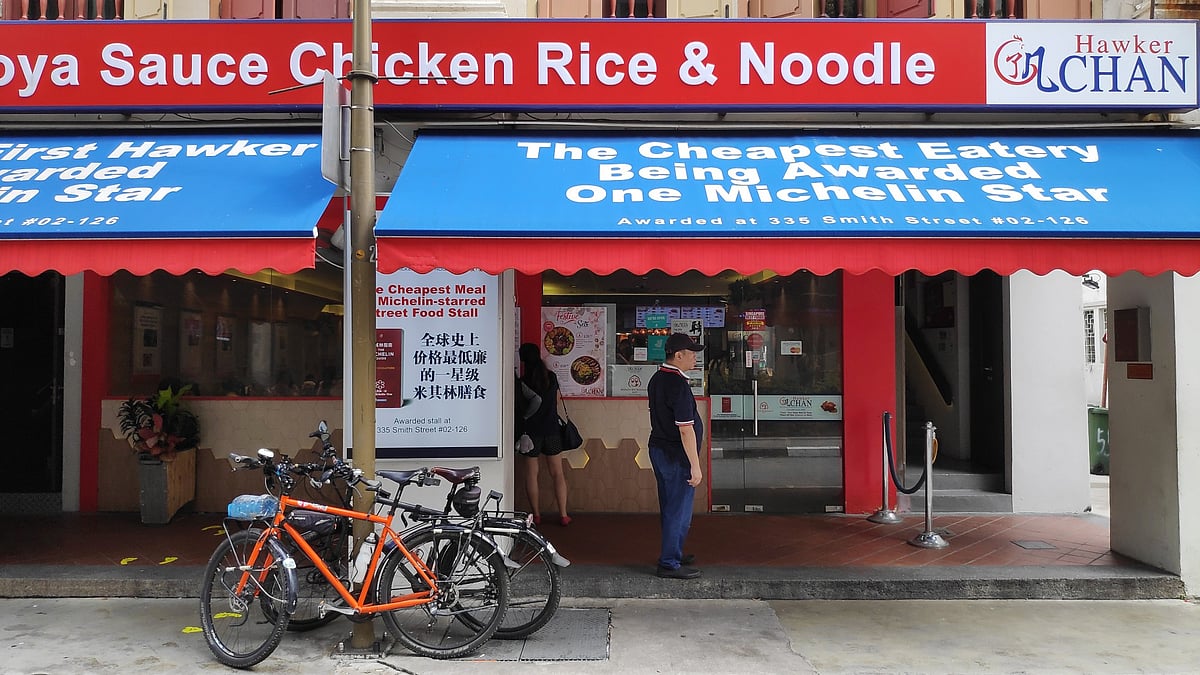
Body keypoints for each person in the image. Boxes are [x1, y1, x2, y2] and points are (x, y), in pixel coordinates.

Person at [646, 332, 705, 579]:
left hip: (659, 449)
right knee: (678, 509)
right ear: (678, 355)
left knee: (672, 506)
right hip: (675, 454)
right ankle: (669, 562)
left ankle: (675, 551)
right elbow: (685, 428)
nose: (695, 358)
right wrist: (695, 465)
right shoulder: (677, 384)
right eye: (691, 353)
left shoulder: (657, 378)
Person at [518, 342, 571, 526]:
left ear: (522, 360)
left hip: (530, 434)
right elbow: (556, 401)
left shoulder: (523, 381)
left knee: (532, 475)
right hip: (552, 431)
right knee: (558, 473)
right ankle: (563, 515)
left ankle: (537, 515)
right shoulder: (552, 377)